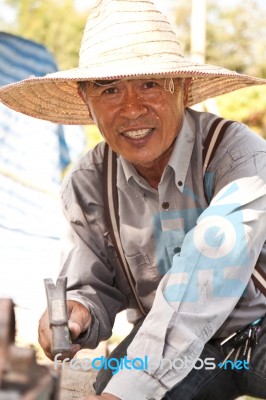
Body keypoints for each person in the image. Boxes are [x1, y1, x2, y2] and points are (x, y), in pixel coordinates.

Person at [1, 1, 266, 399]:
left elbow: (203, 277)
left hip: (258, 331)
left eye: (150, 84)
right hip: (185, 344)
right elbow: (93, 284)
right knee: (118, 380)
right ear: (86, 101)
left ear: (184, 88)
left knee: (130, 387)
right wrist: (79, 311)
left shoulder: (236, 154)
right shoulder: (88, 183)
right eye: (109, 89)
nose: (132, 108)